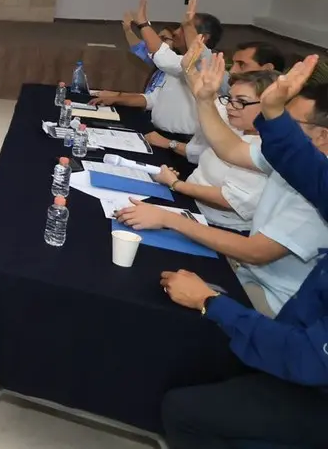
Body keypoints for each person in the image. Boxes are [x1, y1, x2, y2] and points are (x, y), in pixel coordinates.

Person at [158, 53, 328, 448]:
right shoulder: (310, 165)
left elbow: (306, 358)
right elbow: (296, 164)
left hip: (297, 350)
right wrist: (272, 112)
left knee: (184, 408)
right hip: (288, 322)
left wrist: (210, 303)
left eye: (292, 118)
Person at [116, 39, 328, 317]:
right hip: (246, 271)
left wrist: (169, 218)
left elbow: (255, 252)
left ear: (323, 134)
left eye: (291, 122)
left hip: (272, 300)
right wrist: (204, 99)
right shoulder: (294, 157)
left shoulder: (316, 188)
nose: (281, 128)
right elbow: (230, 149)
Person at [148, 70, 276, 232]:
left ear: (271, 106)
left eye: (241, 101)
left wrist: (175, 183)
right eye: (230, 98)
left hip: (218, 226)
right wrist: (189, 67)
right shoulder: (237, 124)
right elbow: (206, 99)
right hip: (192, 205)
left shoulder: (266, 148)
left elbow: (229, 200)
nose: (230, 106)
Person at [94, 0, 222, 137]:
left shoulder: (206, 61)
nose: (176, 32)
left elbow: (164, 58)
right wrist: (117, 98)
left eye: (183, 28)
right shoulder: (177, 61)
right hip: (158, 134)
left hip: (181, 142)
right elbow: (153, 99)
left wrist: (144, 24)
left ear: (203, 37)